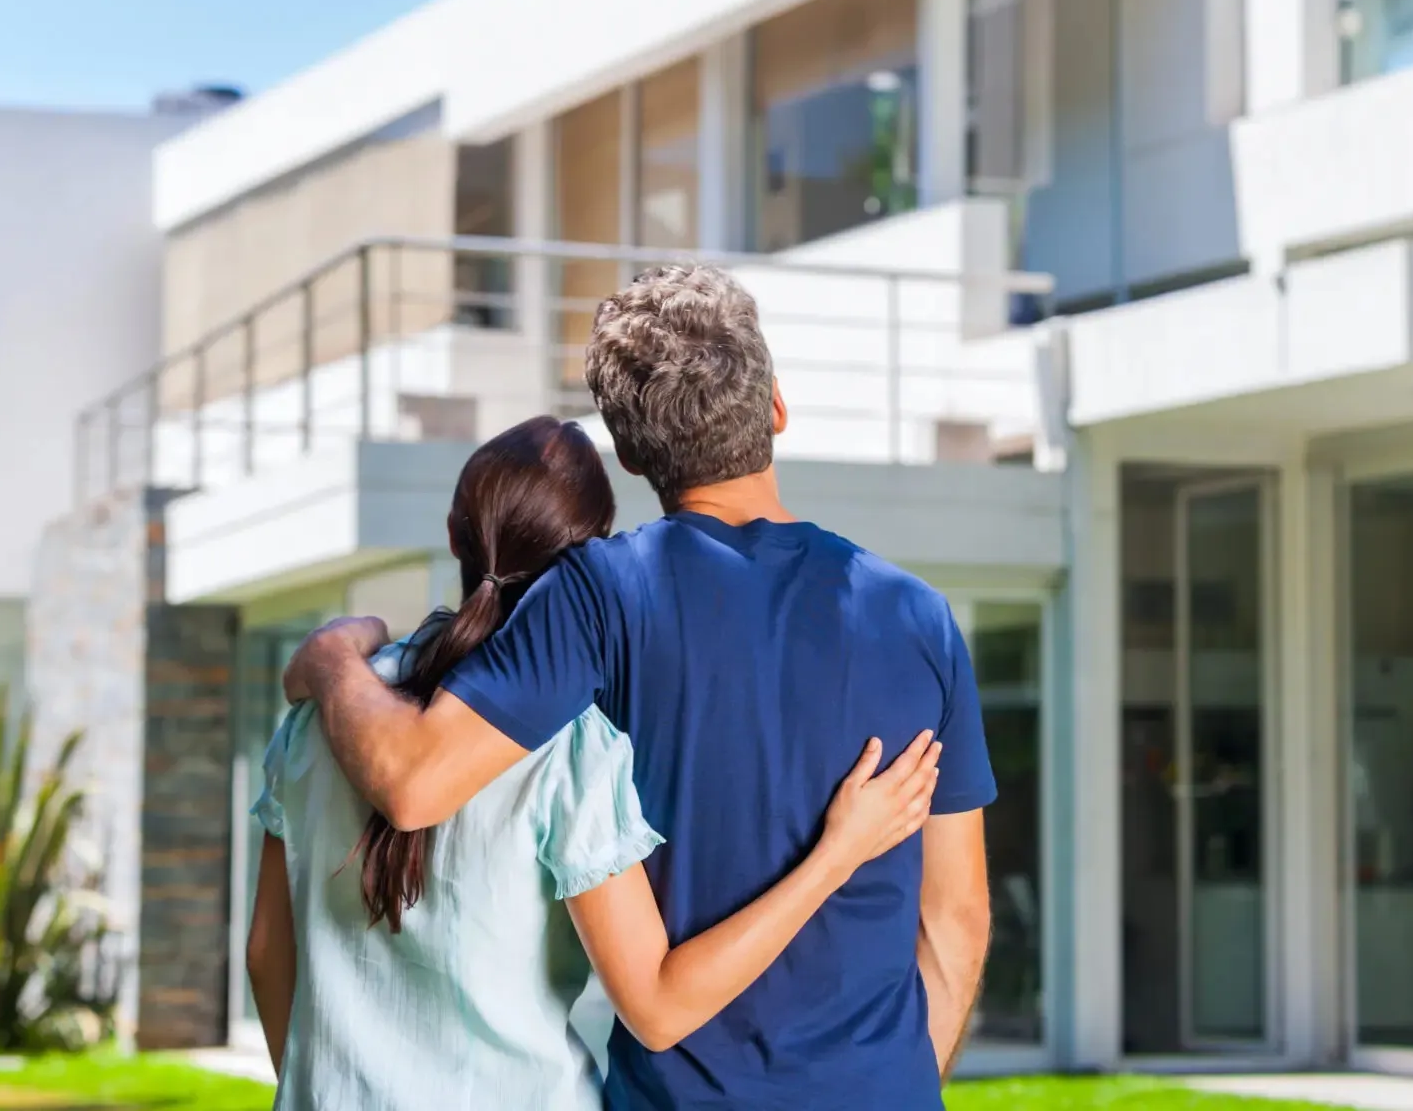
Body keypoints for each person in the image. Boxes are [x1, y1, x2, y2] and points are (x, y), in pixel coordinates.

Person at [285, 265, 995, 1109]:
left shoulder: (597, 597)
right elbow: (956, 920)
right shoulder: (918, 618)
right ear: (775, 407)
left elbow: (410, 785)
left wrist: (333, 659)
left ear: (627, 453)